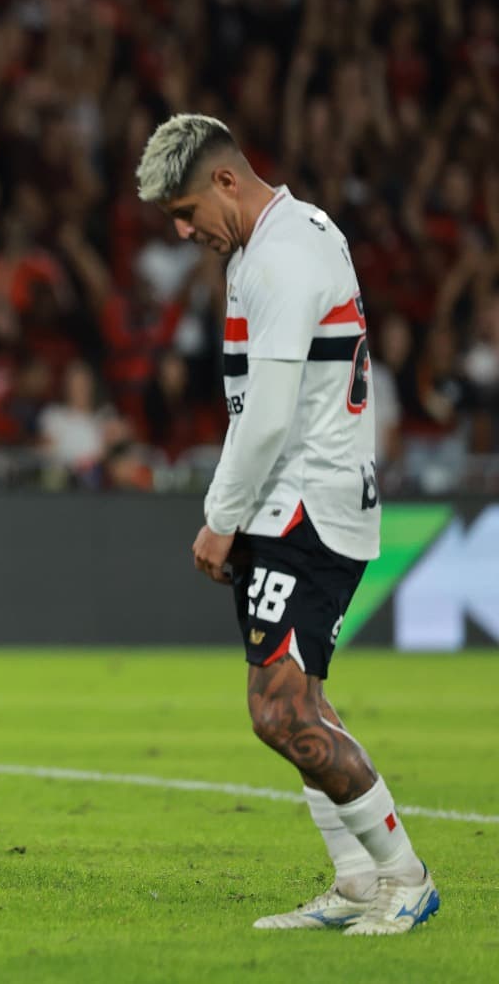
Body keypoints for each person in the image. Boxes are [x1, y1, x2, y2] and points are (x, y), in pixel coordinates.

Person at [136, 114, 437, 936]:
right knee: (301, 700)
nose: (184, 229)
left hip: (303, 502)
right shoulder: (286, 236)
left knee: (280, 712)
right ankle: (353, 881)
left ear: (228, 181)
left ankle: (403, 876)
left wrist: (218, 519)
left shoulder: (277, 259)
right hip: (300, 498)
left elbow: (267, 417)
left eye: (188, 209)